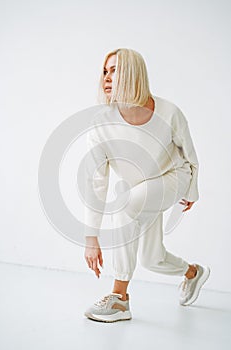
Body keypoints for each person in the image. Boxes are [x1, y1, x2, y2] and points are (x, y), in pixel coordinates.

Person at [83, 48, 210, 323]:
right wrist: (91, 237)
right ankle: (193, 273)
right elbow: (97, 181)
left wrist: (191, 192)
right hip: (144, 190)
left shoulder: (169, 112)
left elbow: (190, 155)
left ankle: (119, 298)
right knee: (152, 259)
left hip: (174, 176)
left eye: (114, 70)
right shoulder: (100, 124)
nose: (106, 77)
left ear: (132, 72)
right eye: (105, 71)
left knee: (127, 203)